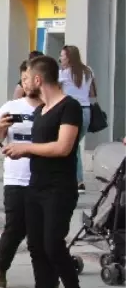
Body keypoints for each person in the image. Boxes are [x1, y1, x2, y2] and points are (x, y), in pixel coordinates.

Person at [3, 55, 88, 288]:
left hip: (59, 189)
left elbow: (63, 148)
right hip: (34, 187)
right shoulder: (41, 111)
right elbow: (39, 148)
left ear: (39, 79)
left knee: (53, 244)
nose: (24, 82)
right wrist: (16, 149)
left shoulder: (69, 107)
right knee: (37, 247)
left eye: (27, 77)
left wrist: (26, 149)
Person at [0, 60, 49, 288]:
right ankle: (1, 266)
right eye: (22, 79)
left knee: (42, 234)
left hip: (43, 178)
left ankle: (49, 284)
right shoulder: (11, 107)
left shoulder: (51, 107)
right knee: (15, 228)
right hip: (15, 177)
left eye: (29, 78)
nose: (26, 83)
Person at [58, 45, 96, 192]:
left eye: (63, 56)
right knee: (74, 145)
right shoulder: (88, 71)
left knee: (71, 145)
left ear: (70, 57)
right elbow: (92, 93)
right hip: (86, 111)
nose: (60, 59)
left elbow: (57, 92)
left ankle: (78, 181)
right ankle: (75, 179)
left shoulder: (64, 73)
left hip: (70, 111)